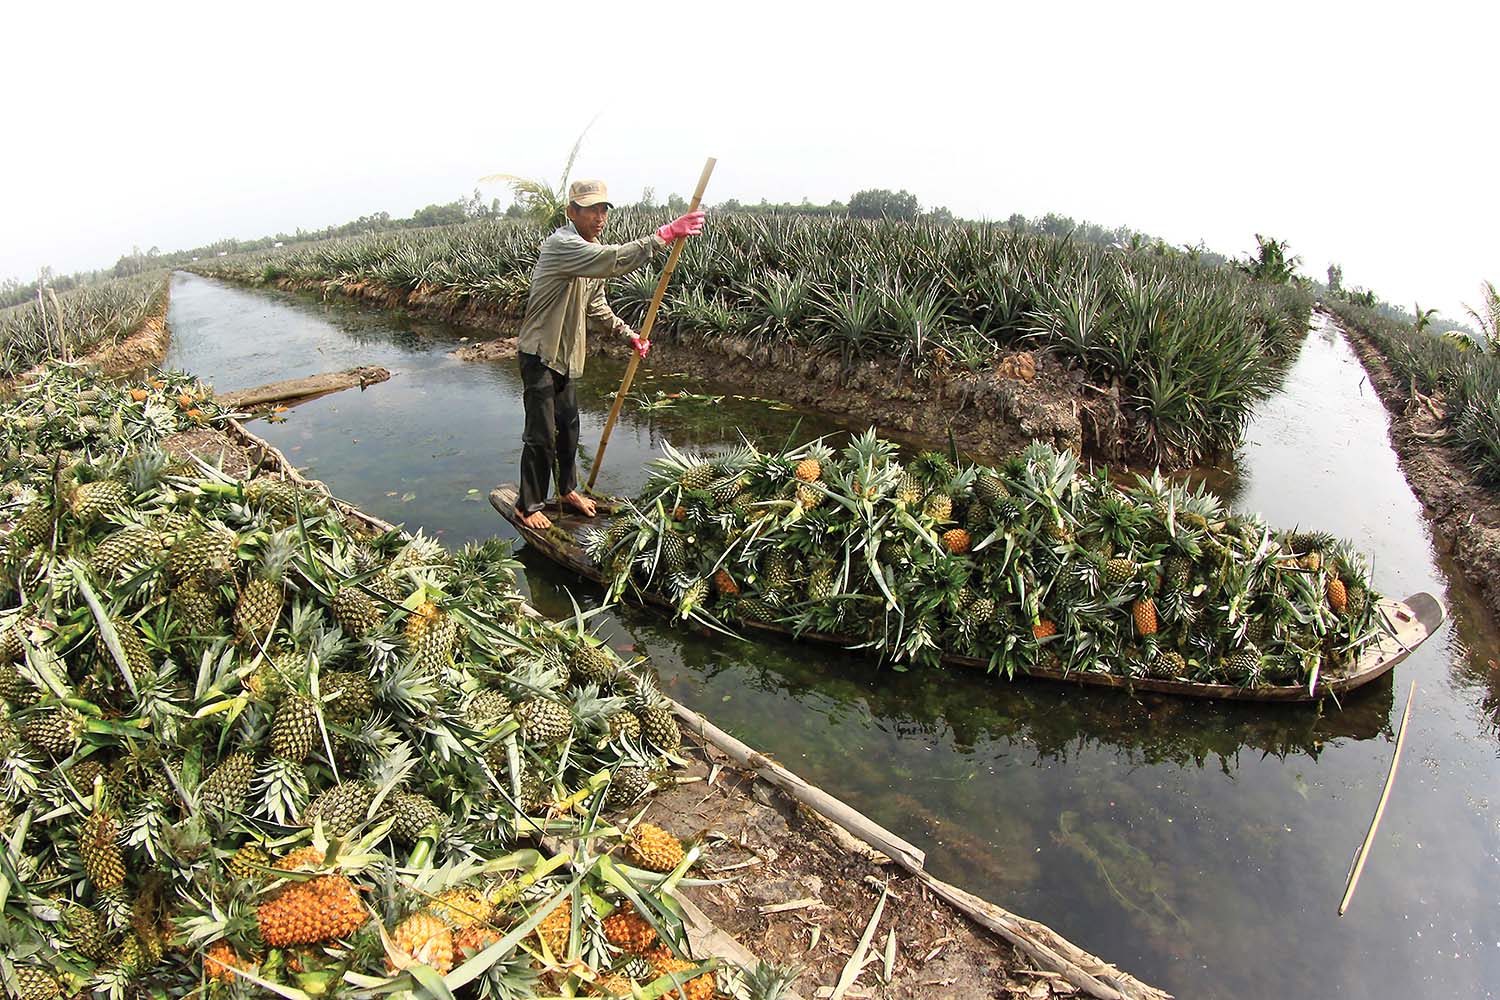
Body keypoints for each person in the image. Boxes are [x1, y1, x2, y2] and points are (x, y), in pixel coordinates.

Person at [514, 178, 705, 530]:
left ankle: (568, 489)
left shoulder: (591, 252)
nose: (599, 216)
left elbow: (597, 307)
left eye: (603, 209)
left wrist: (629, 335)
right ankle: (527, 505)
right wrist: (664, 234)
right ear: (572, 212)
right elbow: (612, 260)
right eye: (590, 209)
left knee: (569, 428)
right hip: (540, 354)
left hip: (567, 356)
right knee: (540, 434)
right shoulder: (564, 245)